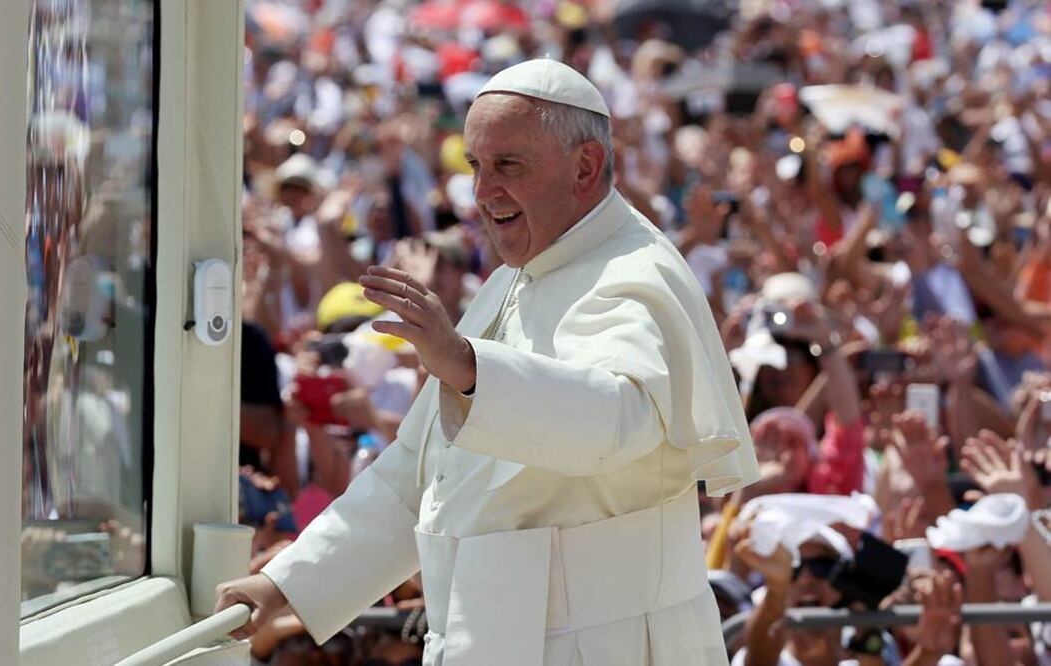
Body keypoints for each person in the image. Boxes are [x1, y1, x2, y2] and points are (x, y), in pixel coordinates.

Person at [216, 58, 758, 665]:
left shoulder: (634, 275)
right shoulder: (512, 282)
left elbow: (615, 416)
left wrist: (472, 370)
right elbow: (416, 482)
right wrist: (289, 583)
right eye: (476, 166)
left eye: (508, 165)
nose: (482, 192)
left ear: (585, 166)